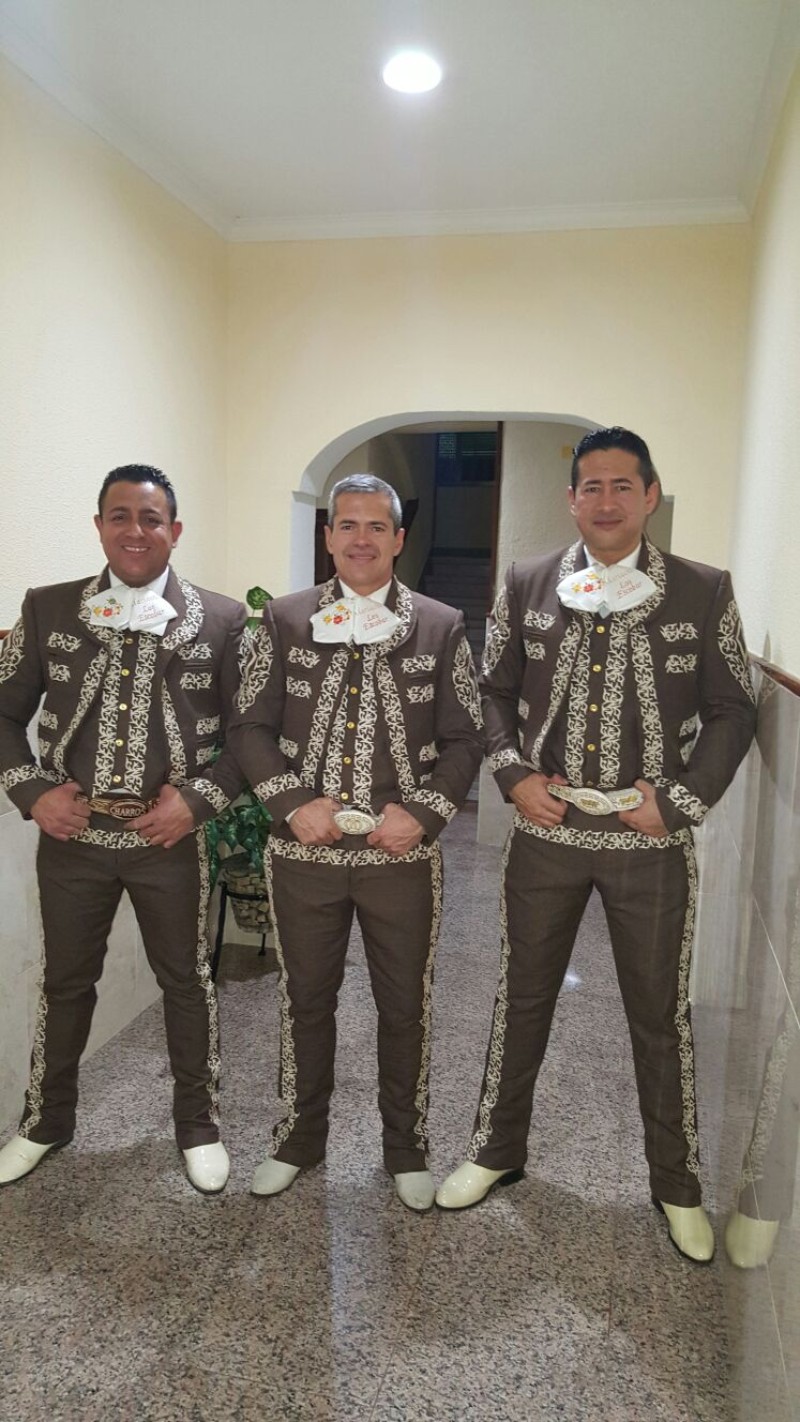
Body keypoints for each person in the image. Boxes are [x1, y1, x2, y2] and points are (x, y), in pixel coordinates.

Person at [436, 427, 757, 1262]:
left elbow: (734, 708)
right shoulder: (527, 581)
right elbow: (490, 692)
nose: (606, 501)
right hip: (546, 834)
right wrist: (513, 776)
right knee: (522, 996)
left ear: (649, 496)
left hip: (649, 844)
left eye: (623, 486)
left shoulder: (703, 590)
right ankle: (496, 1150)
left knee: (659, 1014)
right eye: (591, 486)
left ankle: (676, 1184)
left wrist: (679, 802)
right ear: (571, 499)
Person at [228, 473, 484, 1210]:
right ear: (328, 535)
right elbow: (248, 725)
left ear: (399, 539)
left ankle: (405, 1147)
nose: (361, 539)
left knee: (404, 1005)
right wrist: (291, 803)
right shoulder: (284, 618)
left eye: (377, 526)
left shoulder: (440, 623)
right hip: (303, 854)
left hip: (400, 858)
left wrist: (425, 813)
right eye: (347, 525)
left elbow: (465, 737)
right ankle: (298, 1138)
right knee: (306, 1000)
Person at [0, 465, 247, 1194]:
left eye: (150, 518)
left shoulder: (224, 619)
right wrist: (33, 794)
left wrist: (197, 802)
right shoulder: (47, 608)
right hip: (71, 839)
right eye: (120, 516)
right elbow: (3, 715)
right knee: (65, 982)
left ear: (174, 529)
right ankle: (45, 1121)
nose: (134, 531)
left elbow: (251, 736)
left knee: (186, 980)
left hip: (169, 841)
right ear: (100, 526)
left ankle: (198, 1126)